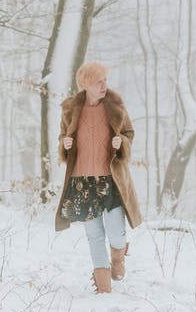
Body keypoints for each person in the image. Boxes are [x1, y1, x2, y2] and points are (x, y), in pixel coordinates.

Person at [53, 61, 143, 294]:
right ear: (86, 85)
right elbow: (63, 136)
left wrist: (120, 142)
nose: (104, 85)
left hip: (111, 180)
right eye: (99, 82)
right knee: (94, 235)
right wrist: (65, 144)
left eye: (105, 81)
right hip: (82, 181)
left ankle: (118, 256)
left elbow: (128, 134)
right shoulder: (71, 108)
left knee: (114, 230)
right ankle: (104, 288)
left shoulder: (114, 105)